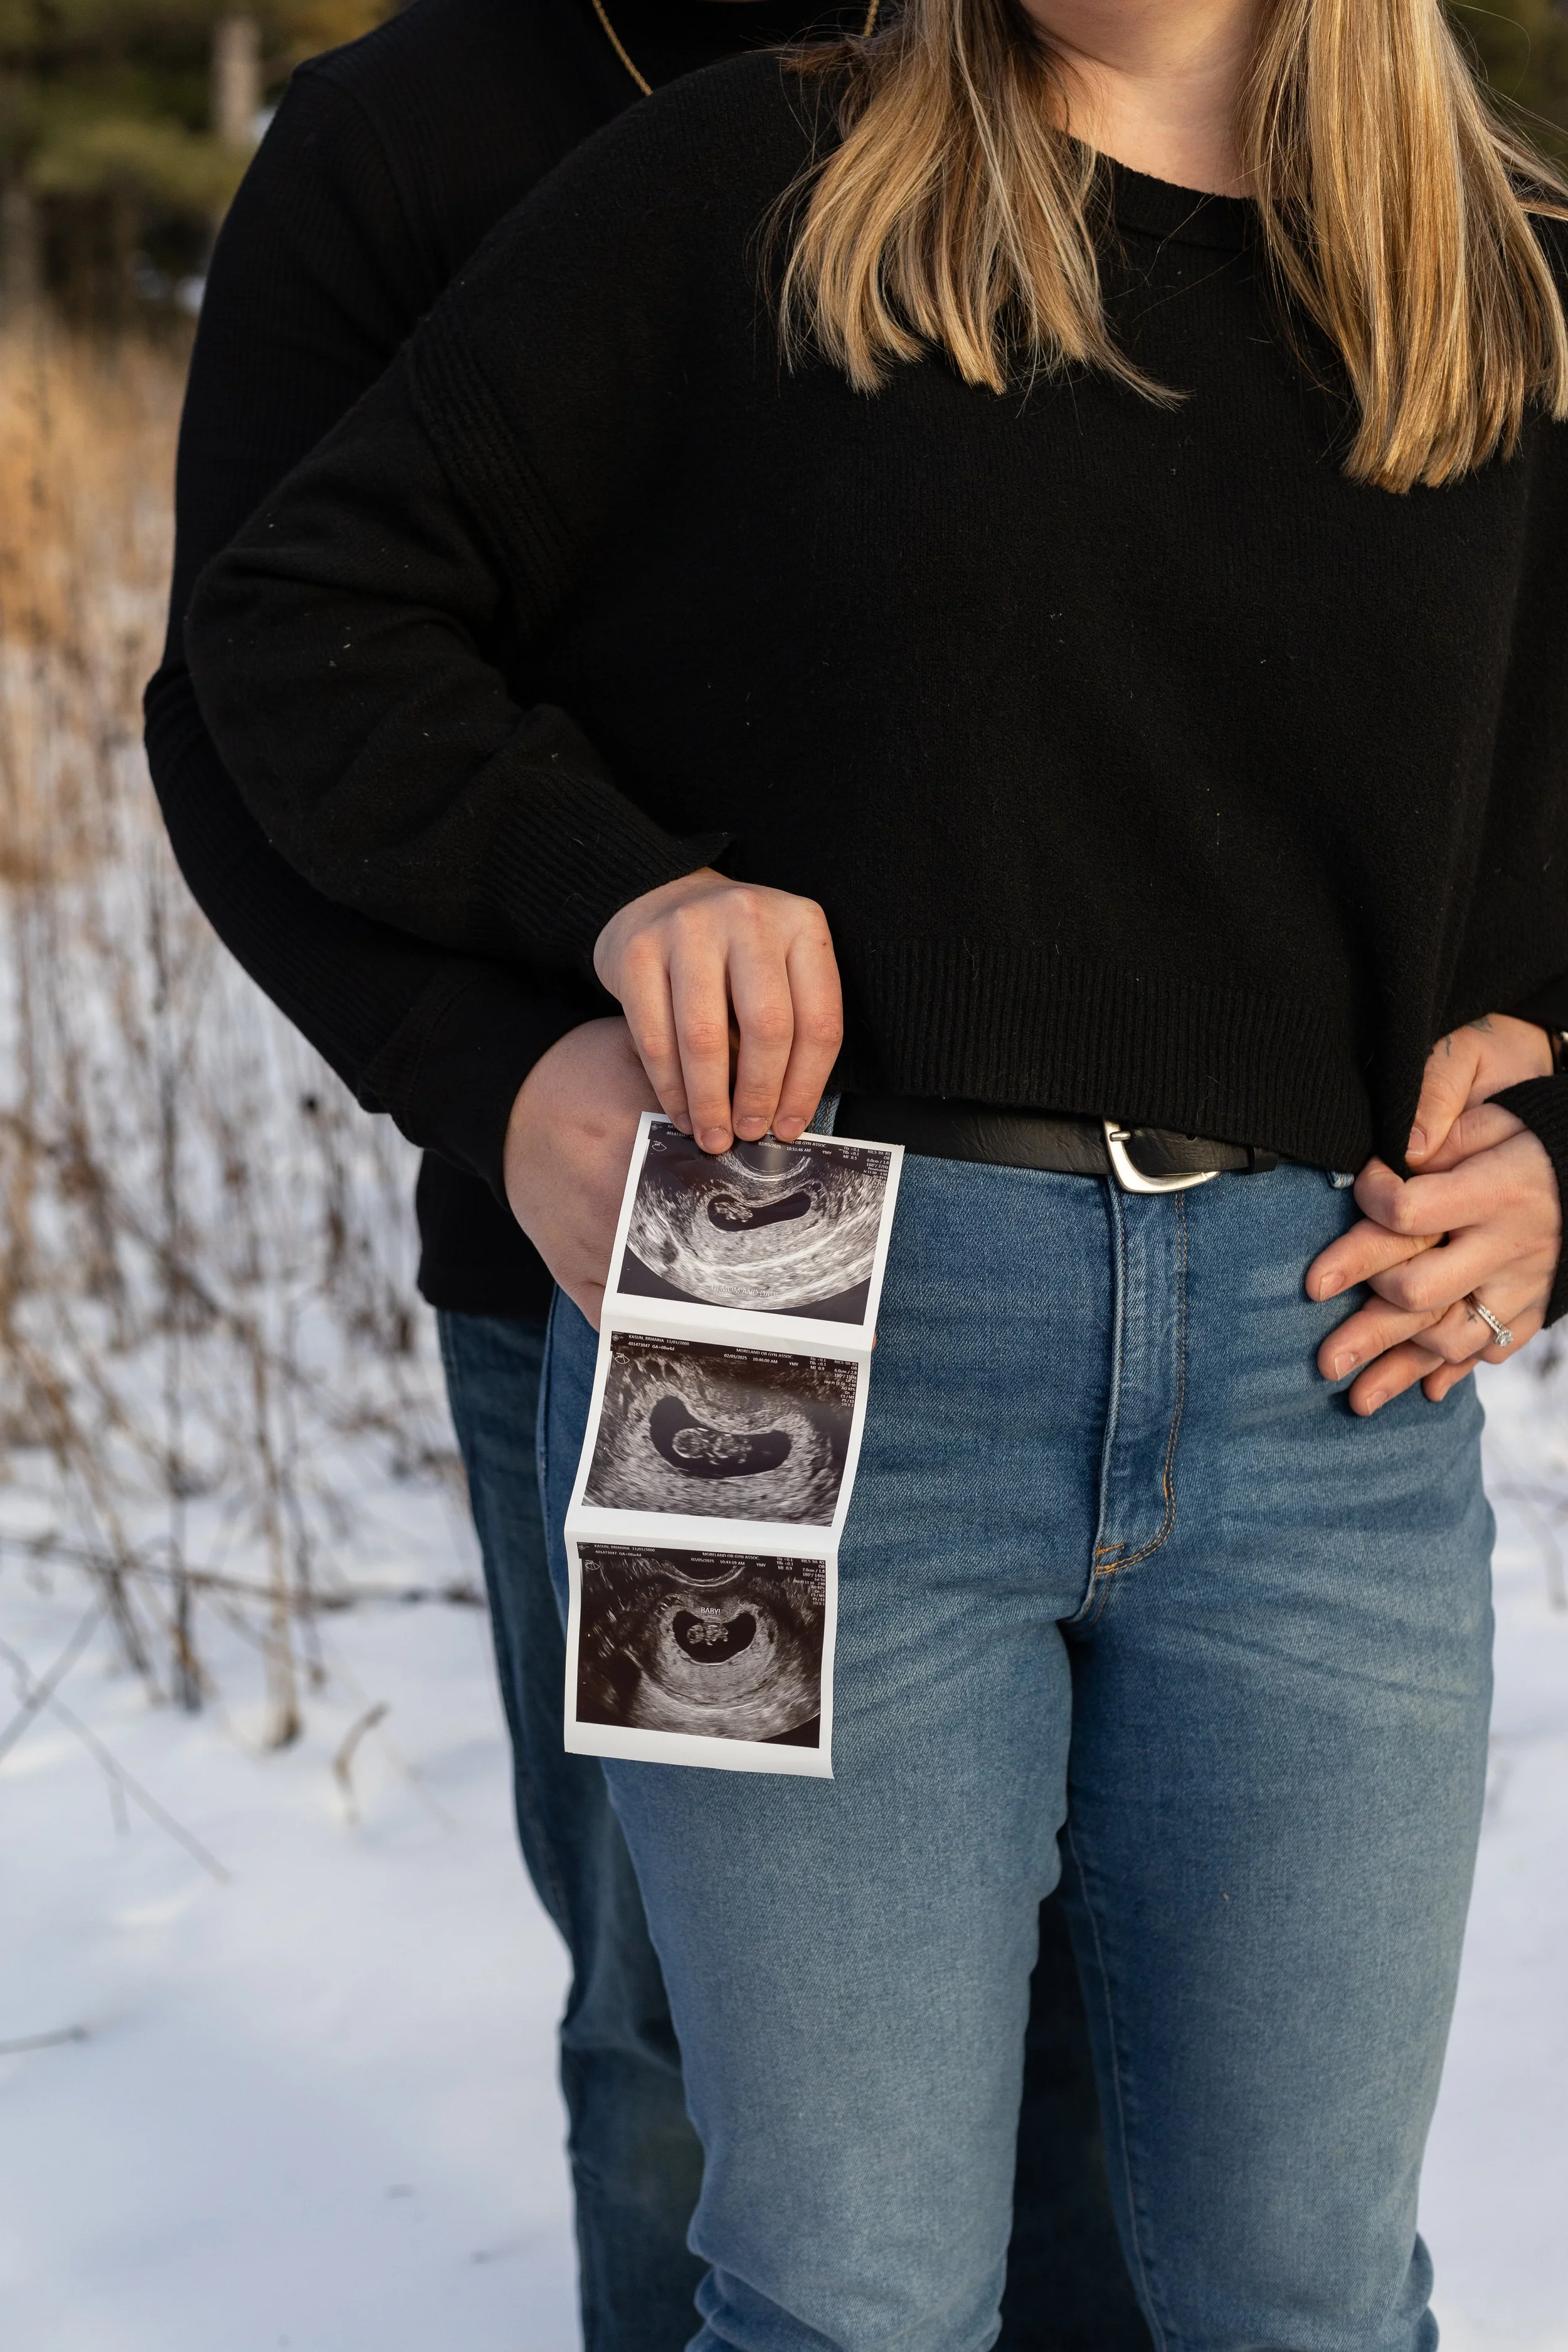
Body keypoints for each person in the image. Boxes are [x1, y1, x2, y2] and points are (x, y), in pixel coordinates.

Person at [183, 0, 1568, 2340]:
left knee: (1306, 2294)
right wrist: (606, 894)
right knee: (833, 2282)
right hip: (763, 1303)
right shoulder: (753, 175)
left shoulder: (1509, 281)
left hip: (1319, 1380)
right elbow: (291, 634)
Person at [144, 1, 1148, 2344]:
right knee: (696, 2049)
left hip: (1137, 1277)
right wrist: (487, 1078)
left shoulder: (1122, 75)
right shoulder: (421, 125)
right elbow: (237, 704)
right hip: (699, 1264)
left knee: (1120, 2032)